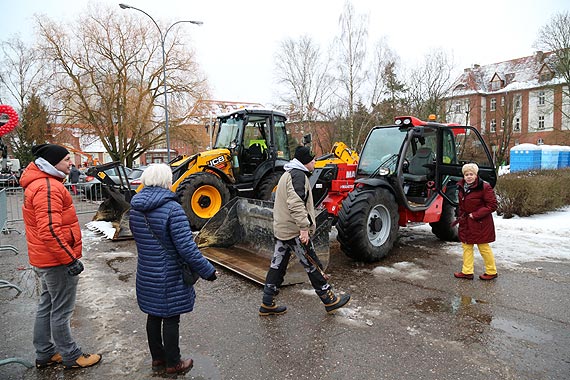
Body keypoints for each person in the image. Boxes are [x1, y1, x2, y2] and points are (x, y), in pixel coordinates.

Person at [129, 164, 218, 376]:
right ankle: (173, 363)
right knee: (170, 317)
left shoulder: (135, 208)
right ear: (165, 181)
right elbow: (187, 247)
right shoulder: (172, 208)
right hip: (168, 272)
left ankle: (157, 359)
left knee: (153, 315)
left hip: (146, 272)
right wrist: (208, 271)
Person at [20, 143, 102, 370]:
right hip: (56, 261)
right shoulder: (48, 187)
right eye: (67, 159)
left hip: (45, 259)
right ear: (53, 162)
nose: (71, 164)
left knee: (47, 305)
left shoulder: (41, 184)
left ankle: (45, 352)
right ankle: (71, 355)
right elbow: (50, 230)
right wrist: (70, 259)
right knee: (61, 310)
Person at [259, 146, 351, 316]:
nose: (315, 162)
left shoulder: (288, 174)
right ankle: (329, 298)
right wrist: (303, 229)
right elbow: (296, 204)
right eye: (312, 160)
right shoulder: (298, 176)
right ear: (305, 162)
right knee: (312, 264)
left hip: (283, 230)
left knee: (277, 265)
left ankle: (267, 302)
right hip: (294, 232)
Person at [454, 163, 499, 281]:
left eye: (471, 174)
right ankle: (467, 271)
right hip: (466, 222)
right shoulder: (461, 187)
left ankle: (491, 271)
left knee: (483, 247)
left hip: (481, 223)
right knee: (466, 246)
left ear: (476, 175)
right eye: (466, 174)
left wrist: (475, 215)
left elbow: (492, 205)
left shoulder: (484, 187)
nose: (469, 176)